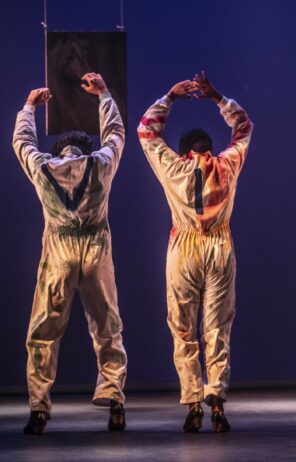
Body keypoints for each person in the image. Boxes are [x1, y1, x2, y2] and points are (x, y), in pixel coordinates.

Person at [137, 71, 253, 433]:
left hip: (184, 248)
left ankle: (192, 403)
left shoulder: (174, 167)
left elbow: (146, 131)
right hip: (220, 247)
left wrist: (169, 97)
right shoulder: (227, 165)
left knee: (183, 328)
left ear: (184, 149)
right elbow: (244, 127)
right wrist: (217, 97)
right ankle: (216, 400)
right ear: (209, 147)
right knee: (217, 327)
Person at [12, 73, 128, 434]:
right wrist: (103, 95)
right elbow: (115, 134)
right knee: (107, 326)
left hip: (58, 251)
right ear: (83, 146)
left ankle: (39, 408)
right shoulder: (101, 164)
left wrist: (29, 107)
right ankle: (115, 400)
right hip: (95, 248)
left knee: (44, 331)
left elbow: (22, 142)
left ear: (60, 149)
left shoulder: (43, 167)